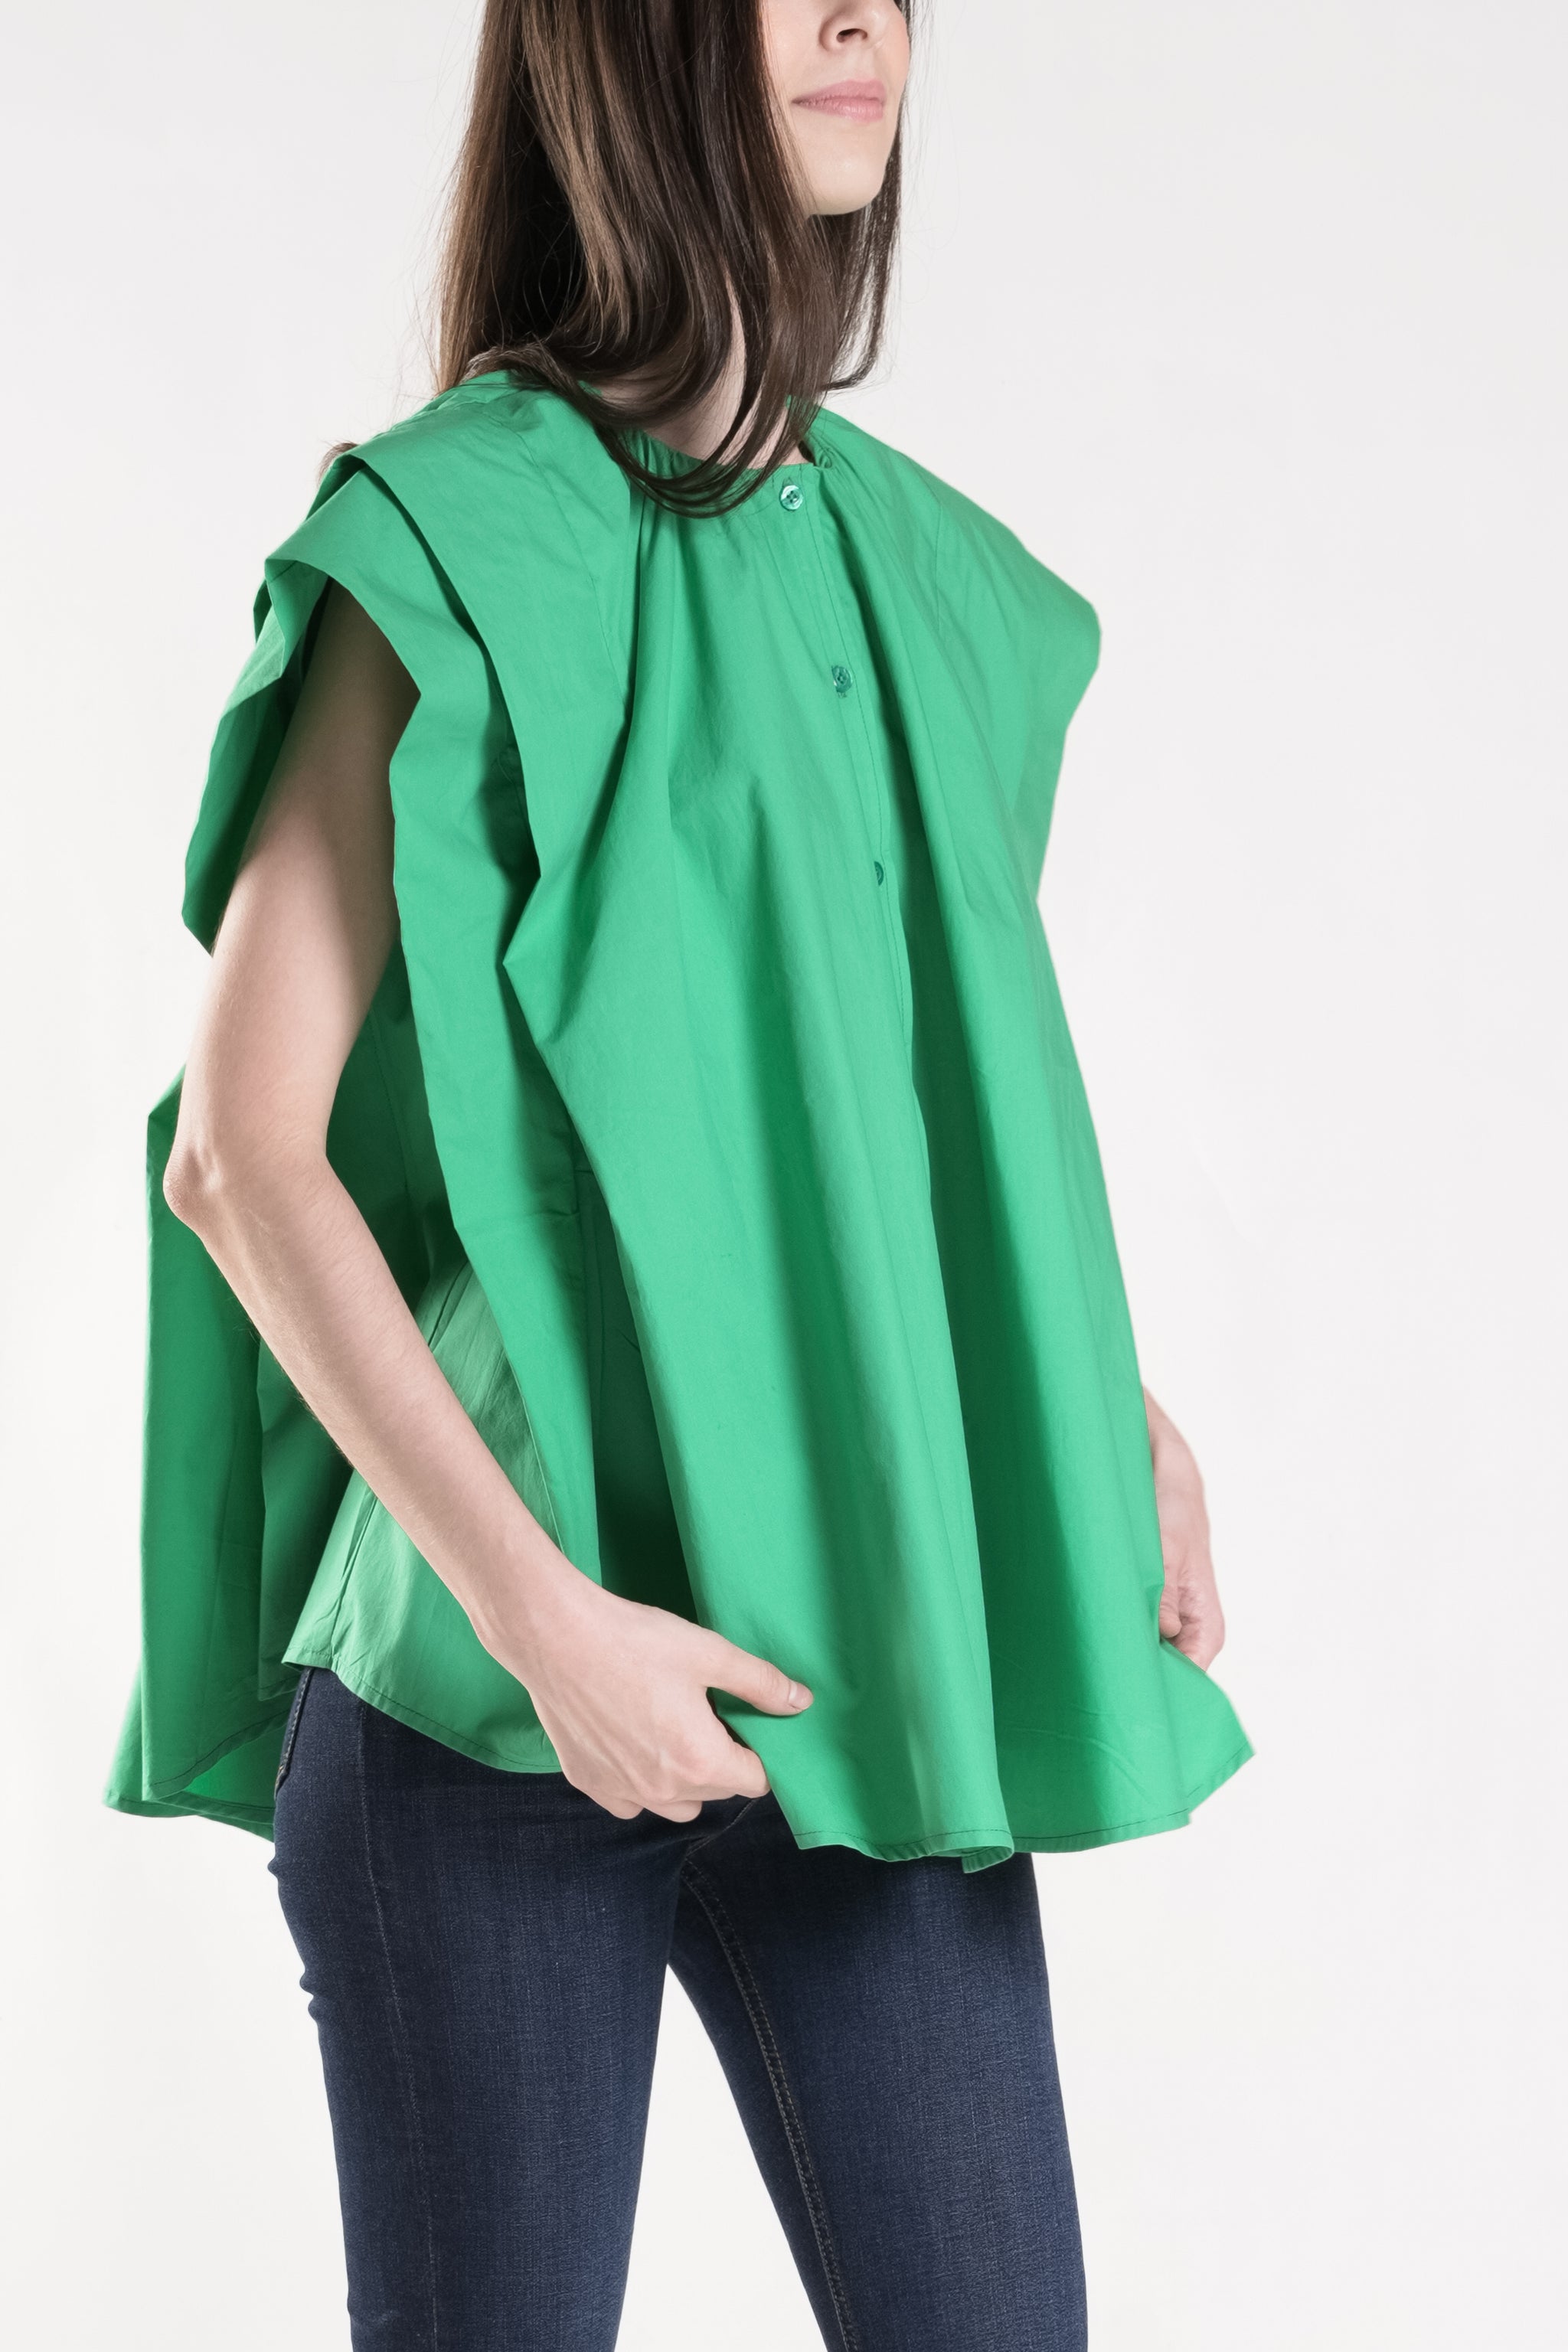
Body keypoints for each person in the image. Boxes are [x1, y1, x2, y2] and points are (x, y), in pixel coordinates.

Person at [106, 3, 1251, 2344]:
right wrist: (552, 1626)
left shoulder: (928, 575)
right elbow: (243, 1152)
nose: (858, 21)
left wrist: (1093, 1399)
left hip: (858, 1658)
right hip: (485, 1705)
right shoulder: (458, 527)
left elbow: (860, 1101)